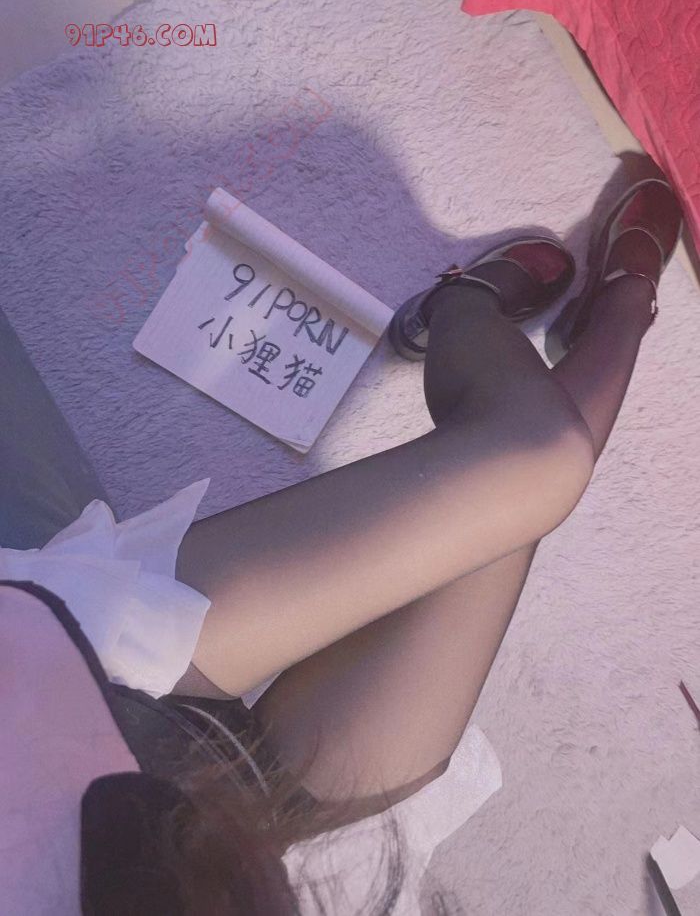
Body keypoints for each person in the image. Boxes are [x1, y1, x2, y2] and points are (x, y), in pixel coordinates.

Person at [0, 176, 683, 914]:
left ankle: (506, 304)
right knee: (527, 488)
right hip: (250, 861)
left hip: (90, 706)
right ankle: (598, 308)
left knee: (538, 461)